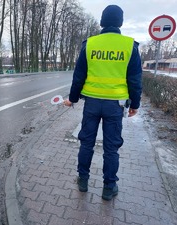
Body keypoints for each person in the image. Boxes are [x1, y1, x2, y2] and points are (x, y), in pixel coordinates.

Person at [64, 5, 142, 201]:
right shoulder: (129, 45)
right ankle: (109, 187)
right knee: (111, 147)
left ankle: (83, 180)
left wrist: (72, 99)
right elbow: (135, 79)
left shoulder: (89, 44)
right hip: (115, 106)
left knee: (86, 143)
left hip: (91, 103)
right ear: (120, 23)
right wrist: (135, 104)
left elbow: (78, 76)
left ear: (101, 22)